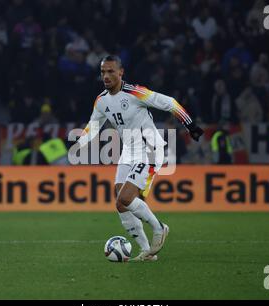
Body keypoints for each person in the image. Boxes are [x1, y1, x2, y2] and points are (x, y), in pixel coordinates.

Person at [73, 55, 204, 262]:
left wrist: (190, 125)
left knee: (126, 198)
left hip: (150, 149)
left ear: (120, 72)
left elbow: (169, 103)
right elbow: (94, 126)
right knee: (120, 203)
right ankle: (146, 252)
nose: (106, 76)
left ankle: (159, 228)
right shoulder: (101, 100)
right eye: (103, 72)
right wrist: (79, 142)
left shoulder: (135, 92)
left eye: (110, 71)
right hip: (129, 151)